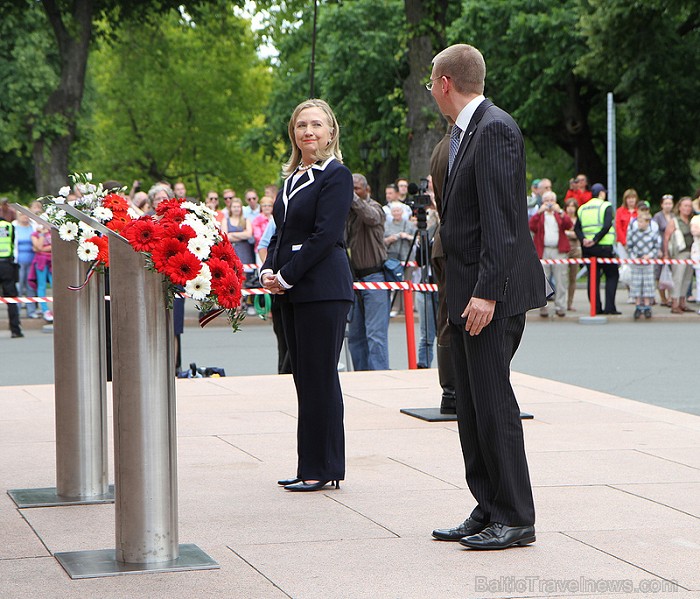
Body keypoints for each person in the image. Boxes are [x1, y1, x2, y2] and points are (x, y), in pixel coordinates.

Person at [428, 44, 546, 550]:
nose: (430, 91)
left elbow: (503, 222)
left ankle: (516, 516)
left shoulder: (495, 128)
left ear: (445, 83)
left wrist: (486, 294)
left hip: (488, 296)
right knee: (471, 406)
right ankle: (489, 504)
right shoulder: (466, 131)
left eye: (431, 82)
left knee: (493, 403)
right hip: (469, 293)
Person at [261, 98, 353, 492]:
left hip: (322, 290)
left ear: (331, 131)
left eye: (316, 124)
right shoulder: (290, 178)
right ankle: (308, 464)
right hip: (292, 291)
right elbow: (281, 233)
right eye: (301, 125)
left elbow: (324, 236)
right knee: (303, 379)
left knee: (320, 378)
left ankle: (324, 466)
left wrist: (286, 276)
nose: (308, 131)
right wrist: (267, 268)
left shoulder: (336, 175)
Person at [346, 173, 390, 371]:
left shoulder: (375, 208)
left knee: (375, 335)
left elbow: (370, 217)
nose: (353, 193)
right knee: (355, 336)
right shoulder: (347, 213)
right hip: (354, 280)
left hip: (375, 278)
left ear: (367, 190)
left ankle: (380, 378)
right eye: (350, 188)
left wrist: (350, 195)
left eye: (356, 188)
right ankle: (361, 377)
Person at [429, 125, 457, 413]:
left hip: (443, 241)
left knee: (446, 314)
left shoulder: (441, 146)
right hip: (452, 243)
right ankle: (451, 392)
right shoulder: (453, 147)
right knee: (450, 316)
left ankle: (451, 390)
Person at [575, 183, 620, 315]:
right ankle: (610, 308)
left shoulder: (583, 208)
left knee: (592, 278)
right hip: (604, 247)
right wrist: (595, 239)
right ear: (601, 193)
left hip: (588, 249)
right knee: (612, 275)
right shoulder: (606, 206)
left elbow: (576, 228)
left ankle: (595, 308)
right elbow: (606, 226)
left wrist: (584, 240)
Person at [529, 190, 572, 317]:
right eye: (546, 201)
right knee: (543, 280)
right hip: (543, 250)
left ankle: (560, 306)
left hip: (559, 250)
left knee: (561, 279)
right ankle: (543, 307)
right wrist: (539, 212)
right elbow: (531, 226)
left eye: (551, 200)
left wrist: (560, 212)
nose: (549, 203)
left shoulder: (559, 214)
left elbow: (569, 225)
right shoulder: (539, 215)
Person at [626, 209, 660, 319]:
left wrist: (650, 255)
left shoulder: (652, 234)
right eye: (638, 222)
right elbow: (629, 247)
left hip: (648, 262)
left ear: (647, 222)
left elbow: (656, 247)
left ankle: (647, 306)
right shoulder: (633, 233)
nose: (639, 224)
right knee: (636, 284)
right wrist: (633, 257)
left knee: (647, 284)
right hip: (636, 262)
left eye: (641, 222)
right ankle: (637, 305)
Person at [663, 196, 694, 314]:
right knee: (678, 278)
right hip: (679, 253)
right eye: (685, 206)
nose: (688, 208)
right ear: (680, 207)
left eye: (689, 206)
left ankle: (682, 302)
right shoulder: (674, 221)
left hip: (691, 252)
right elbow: (666, 237)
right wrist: (666, 254)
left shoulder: (692, 220)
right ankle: (674, 303)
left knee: (687, 278)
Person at [1, 210, 23, 338]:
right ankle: (15, 330)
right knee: (11, 297)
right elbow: (14, 246)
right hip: (7, 265)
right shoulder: (9, 226)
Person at [13, 211, 38, 319]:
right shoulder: (14, 226)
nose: (25, 217)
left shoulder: (33, 227)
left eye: (27, 215)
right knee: (19, 286)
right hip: (18, 261)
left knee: (30, 286)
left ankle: (31, 310)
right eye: (23, 215)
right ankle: (16, 311)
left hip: (32, 260)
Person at [652, 194, 675, 306]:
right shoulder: (657, 216)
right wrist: (658, 249)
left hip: (672, 247)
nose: (668, 206)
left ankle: (671, 296)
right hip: (660, 247)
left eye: (670, 203)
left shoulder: (674, 216)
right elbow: (654, 232)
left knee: (672, 272)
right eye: (665, 203)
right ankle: (663, 297)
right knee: (659, 273)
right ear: (661, 205)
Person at [31, 223, 53, 322]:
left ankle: (57, 308)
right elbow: (38, 246)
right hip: (40, 262)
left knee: (54, 284)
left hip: (52, 261)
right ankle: (45, 310)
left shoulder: (53, 233)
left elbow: (54, 246)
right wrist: (42, 235)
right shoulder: (35, 234)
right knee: (42, 285)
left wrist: (40, 249)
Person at [564, 198, 582, 311]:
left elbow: (578, 234)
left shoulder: (578, 220)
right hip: (564, 249)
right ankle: (560, 302)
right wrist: (572, 234)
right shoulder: (563, 218)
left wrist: (568, 233)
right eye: (569, 206)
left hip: (576, 249)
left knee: (573, 278)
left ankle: (570, 303)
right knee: (562, 276)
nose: (571, 209)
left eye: (573, 206)